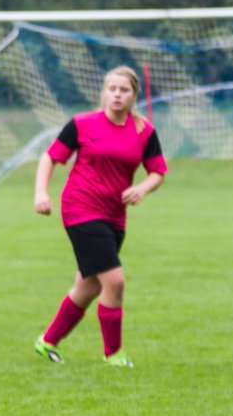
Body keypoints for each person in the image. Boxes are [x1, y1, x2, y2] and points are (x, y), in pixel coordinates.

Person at [33, 65, 168, 367]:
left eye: (124, 90)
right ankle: (114, 354)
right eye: (112, 89)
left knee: (90, 285)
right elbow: (50, 157)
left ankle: (47, 341)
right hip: (80, 208)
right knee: (115, 281)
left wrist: (142, 189)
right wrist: (41, 193)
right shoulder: (82, 124)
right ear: (104, 91)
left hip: (114, 216)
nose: (117, 95)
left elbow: (158, 171)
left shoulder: (144, 131)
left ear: (134, 95)